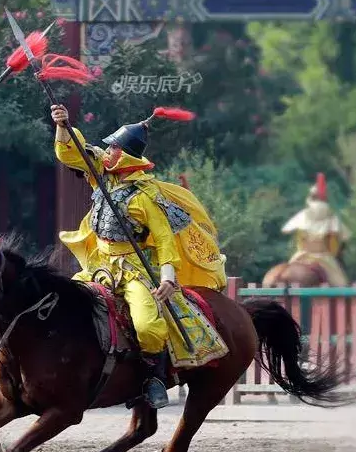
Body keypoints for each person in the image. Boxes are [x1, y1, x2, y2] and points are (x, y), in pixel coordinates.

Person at [51, 104, 228, 408]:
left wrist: (169, 277)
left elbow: (163, 239)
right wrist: (63, 126)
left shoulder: (145, 197)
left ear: (126, 155)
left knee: (147, 326)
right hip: (99, 266)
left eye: (114, 148)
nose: (108, 151)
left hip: (134, 270)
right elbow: (73, 153)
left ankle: (153, 379)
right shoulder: (102, 177)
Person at [280, 172, 350, 286]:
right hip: (323, 257)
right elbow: (334, 246)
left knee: (288, 267)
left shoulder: (303, 215)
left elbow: (298, 238)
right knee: (341, 283)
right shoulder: (331, 217)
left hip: (301, 255)